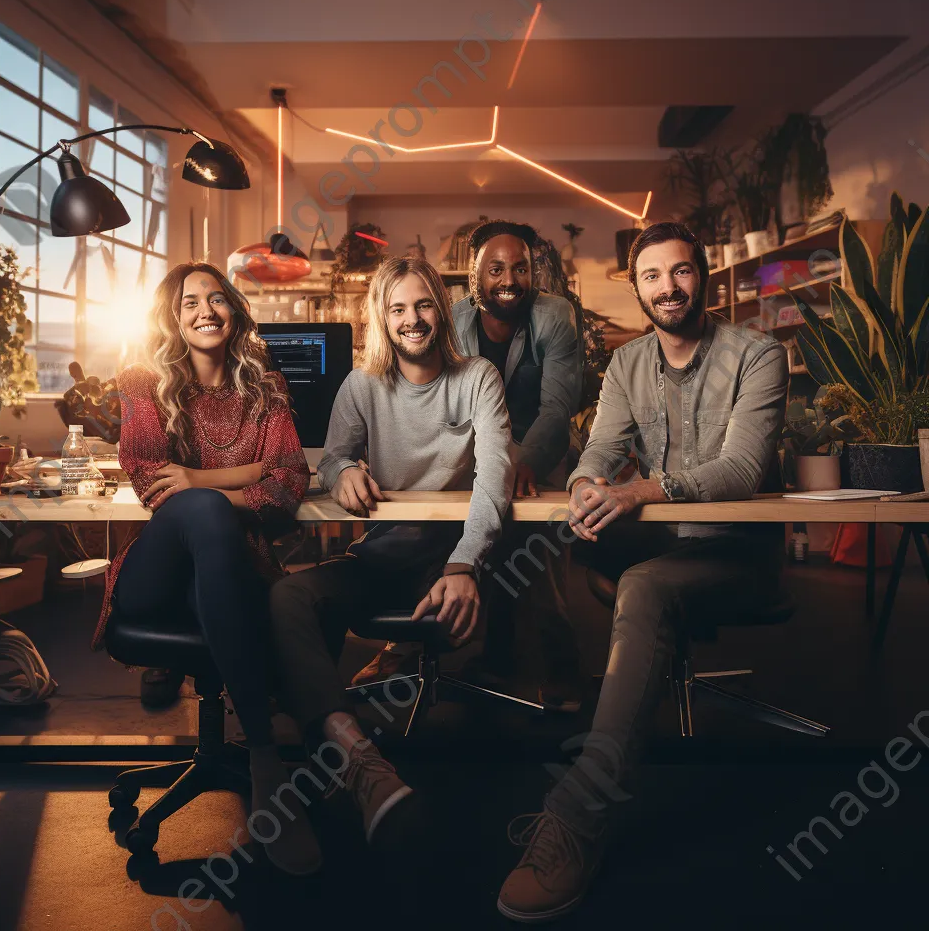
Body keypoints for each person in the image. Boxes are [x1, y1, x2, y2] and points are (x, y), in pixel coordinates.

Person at [497, 221, 790, 923]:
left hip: (737, 554)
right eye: (653, 276)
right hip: (659, 543)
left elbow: (742, 469)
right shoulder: (627, 364)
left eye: (681, 272)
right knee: (575, 542)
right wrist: (591, 485)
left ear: (705, 278)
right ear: (637, 288)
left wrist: (638, 492)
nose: (668, 287)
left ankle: (578, 816)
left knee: (645, 586)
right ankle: (613, 673)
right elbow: (600, 449)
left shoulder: (759, 354)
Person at [268, 256, 513, 845]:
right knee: (289, 595)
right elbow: (329, 457)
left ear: (442, 310)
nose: (412, 319)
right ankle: (357, 758)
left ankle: (323, 766)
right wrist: (343, 468)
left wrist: (465, 563)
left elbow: (494, 477)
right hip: (383, 553)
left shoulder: (478, 375)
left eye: (423, 304)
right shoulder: (361, 385)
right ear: (381, 316)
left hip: (449, 555)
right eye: (398, 308)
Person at [93, 261, 322, 877]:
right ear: (173, 316)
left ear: (234, 311)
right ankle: (269, 755)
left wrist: (200, 479)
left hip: (228, 576)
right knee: (201, 513)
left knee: (209, 518)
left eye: (216, 299)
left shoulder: (265, 388)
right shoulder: (144, 383)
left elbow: (288, 483)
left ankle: (263, 759)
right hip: (154, 580)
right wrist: (239, 479)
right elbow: (152, 481)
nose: (205, 311)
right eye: (190, 301)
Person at [352, 220, 584, 710]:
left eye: (520, 268)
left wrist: (520, 463)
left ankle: (560, 669)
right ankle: (409, 646)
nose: (509, 279)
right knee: (443, 528)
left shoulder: (555, 315)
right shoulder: (448, 317)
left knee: (537, 544)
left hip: (541, 452)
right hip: (470, 448)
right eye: (495, 268)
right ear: (474, 277)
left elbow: (557, 408)